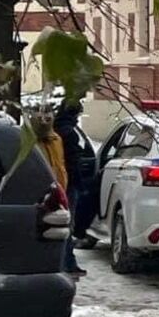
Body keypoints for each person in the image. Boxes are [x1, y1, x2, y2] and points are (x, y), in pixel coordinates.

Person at [53, 102, 101, 267]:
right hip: (68, 184)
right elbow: (73, 163)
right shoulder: (70, 133)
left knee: (58, 223)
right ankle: (67, 262)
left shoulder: (56, 128)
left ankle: (63, 261)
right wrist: (80, 185)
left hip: (55, 182)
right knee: (68, 224)